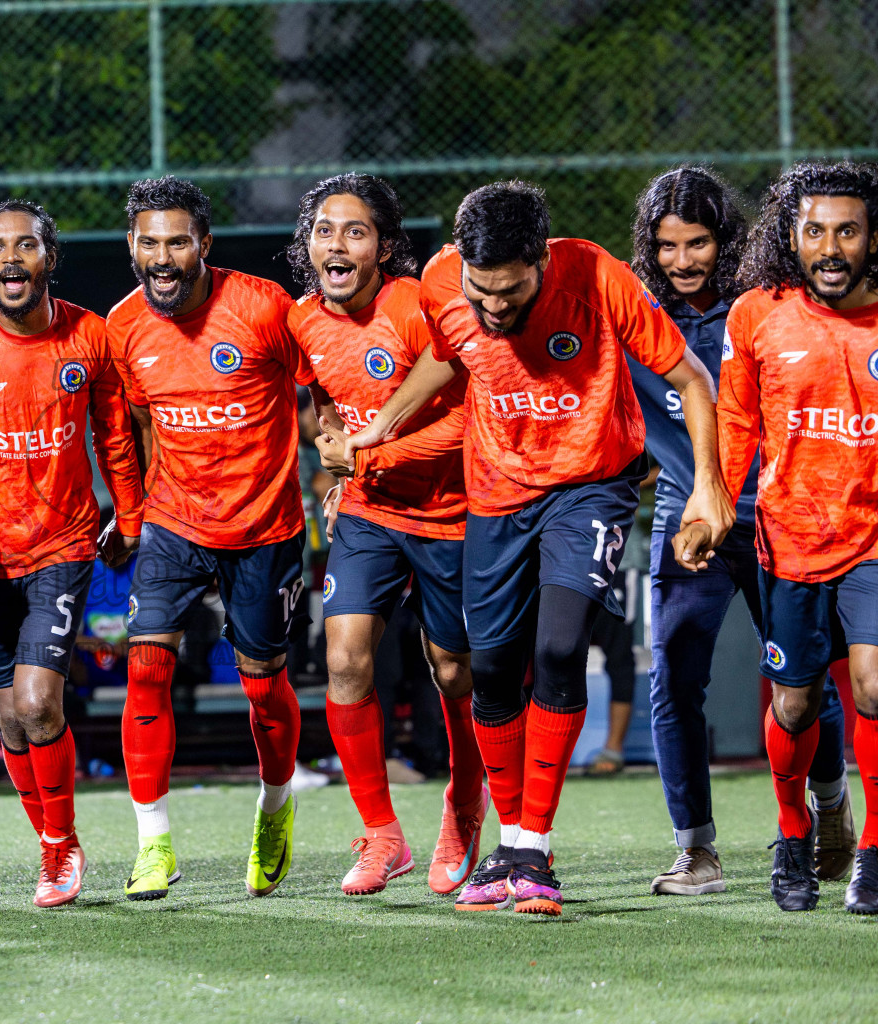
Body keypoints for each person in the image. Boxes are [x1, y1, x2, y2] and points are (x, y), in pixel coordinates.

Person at [332, 181, 734, 915]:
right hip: (496, 492)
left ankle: (533, 848)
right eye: (480, 291)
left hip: (589, 487)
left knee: (558, 648)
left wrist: (708, 486)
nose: (493, 307)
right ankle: (507, 843)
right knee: (489, 670)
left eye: (510, 292)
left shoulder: (599, 278)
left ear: (540, 262)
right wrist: (382, 425)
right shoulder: (442, 281)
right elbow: (447, 354)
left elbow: (691, 376)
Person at [626, 165, 852, 895]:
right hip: (691, 517)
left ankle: (830, 809)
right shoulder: (636, 320)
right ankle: (696, 850)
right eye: (667, 245)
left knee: (802, 679)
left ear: (726, 241)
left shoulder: (768, 306)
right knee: (673, 676)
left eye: (697, 243)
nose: (682, 260)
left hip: (782, 514)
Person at [107, 176, 331, 901]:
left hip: (264, 526)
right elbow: (141, 422)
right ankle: (152, 843)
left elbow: (323, 382)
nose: (162, 258)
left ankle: (275, 806)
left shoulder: (263, 306)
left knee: (263, 685)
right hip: (174, 522)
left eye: (178, 242)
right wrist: (134, 513)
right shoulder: (123, 324)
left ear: (204, 243)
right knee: (146, 669)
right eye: (149, 243)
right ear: (132, 245)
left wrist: (337, 461)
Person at [0, 199, 144, 907]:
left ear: (50, 258)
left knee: (40, 702)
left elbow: (114, 434)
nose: (10, 259)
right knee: (12, 719)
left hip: (63, 546)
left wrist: (129, 516)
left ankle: (61, 846)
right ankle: (49, 841)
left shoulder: (90, 335)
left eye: (26, 245)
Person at [293, 173, 489, 897]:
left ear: (382, 247)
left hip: (450, 512)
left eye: (356, 232)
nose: (337, 245)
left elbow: (469, 416)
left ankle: (463, 806)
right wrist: (337, 458)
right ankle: (382, 835)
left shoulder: (414, 306)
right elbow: (326, 404)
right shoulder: (302, 320)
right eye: (324, 231)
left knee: (452, 671)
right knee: (344, 660)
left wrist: (371, 455)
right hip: (369, 513)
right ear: (308, 245)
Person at [713, 162, 878, 913]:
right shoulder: (757, 313)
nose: (831, 248)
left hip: (873, 536)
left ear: (872, 238)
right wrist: (712, 501)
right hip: (791, 537)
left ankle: (873, 854)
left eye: (848, 231)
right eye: (815, 231)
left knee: (873, 684)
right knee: (795, 706)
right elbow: (736, 418)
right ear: (791, 236)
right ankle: (793, 833)